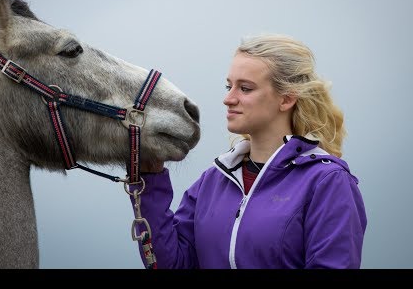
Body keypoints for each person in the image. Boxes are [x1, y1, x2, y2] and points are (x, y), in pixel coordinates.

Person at [128, 33, 367, 269]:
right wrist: (150, 177)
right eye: (228, 86)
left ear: (286, 99)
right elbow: (174, 265)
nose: (228, 99)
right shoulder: (212, 182)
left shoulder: (327, 182)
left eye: (245, 88)